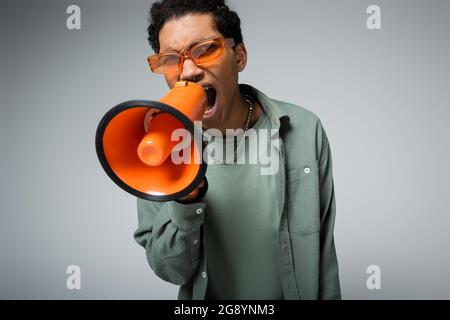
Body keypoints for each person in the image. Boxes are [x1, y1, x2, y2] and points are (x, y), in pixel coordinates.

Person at [134, 0, 341, 300]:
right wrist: (186, 200)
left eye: (204, 49)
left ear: (239, 56)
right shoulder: (156, 149)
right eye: (170, 59)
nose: (188, 71)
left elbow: (323, 261)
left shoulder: (305, 130)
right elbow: (172, 270)